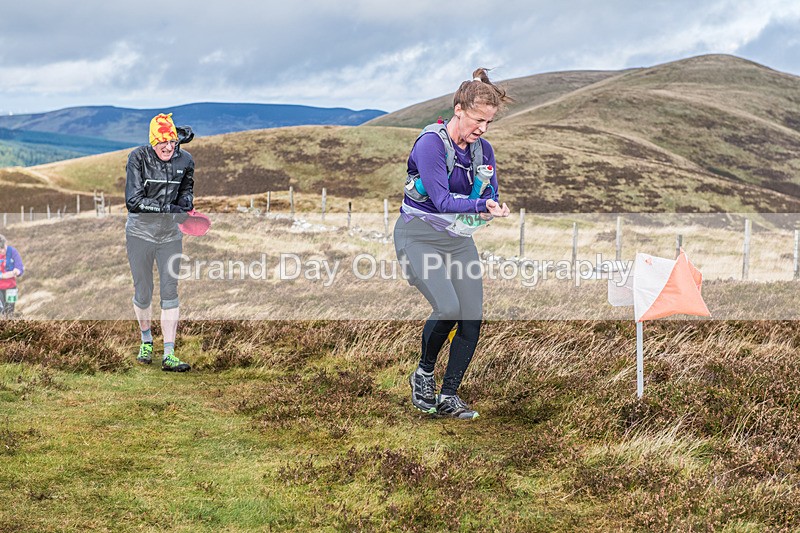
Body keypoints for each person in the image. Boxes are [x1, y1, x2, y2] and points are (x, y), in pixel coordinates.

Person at [394, 68, 511, 420]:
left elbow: (490, 192)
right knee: (448, 307)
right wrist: (479, 205)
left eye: (488, 122)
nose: (483, 129)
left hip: (457, 241)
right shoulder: (431, 143)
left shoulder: (483, 150)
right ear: (458, 108)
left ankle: (448, 396)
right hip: (418, 237)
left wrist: (491, 207)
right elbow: (443, 201)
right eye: (478, 119)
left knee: (471, 316)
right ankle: (423, 375)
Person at [125, 113, 195, 372]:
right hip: (140, 234)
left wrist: (186, 204)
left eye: (172, 142)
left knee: (170, 291)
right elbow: (133, 201)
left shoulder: (186, 161)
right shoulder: (138, 158)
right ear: (153, 141)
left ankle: (169, 353)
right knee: (143, 292)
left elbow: (187, 190)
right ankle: (146, 340)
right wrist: (168, 207)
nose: (168, 147)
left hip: (170, 236)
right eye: (162, 142)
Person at [0, 234, 24, 318]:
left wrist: (17, 271)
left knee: (10, 311)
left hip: (11, 287)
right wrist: (3, 276)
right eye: (0, 249)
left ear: (6, 243)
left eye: (3, 248)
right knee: (2, 312)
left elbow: (19, 266)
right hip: (0, 288)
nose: (2, 251)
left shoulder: (13, 251)